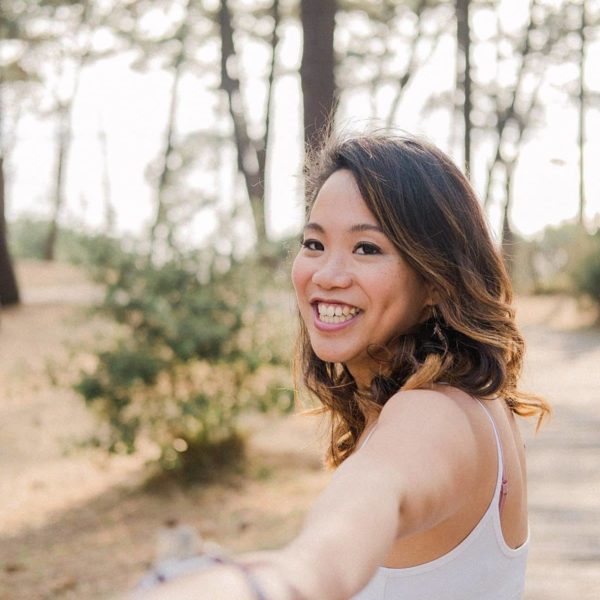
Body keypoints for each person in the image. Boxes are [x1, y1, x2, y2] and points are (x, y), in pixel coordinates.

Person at [133, 132, 550, 600]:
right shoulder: (469, 401)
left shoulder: (432, 416)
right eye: (314, 243)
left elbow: (343, 533)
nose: (327, 275)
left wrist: (279, 581)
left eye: (366, 248)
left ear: (436, 281)